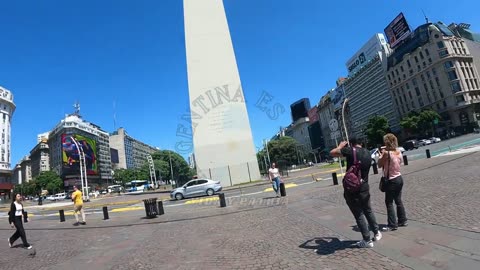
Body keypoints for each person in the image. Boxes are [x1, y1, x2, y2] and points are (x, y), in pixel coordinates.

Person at [330, 138, 382, 248]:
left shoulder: (350, 151)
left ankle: (367, 240)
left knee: (359, 214)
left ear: (352, 144)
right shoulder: (368, 152)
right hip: (364, 186)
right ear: (361, 143)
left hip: (352, 188)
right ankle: (377, 233)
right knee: (368, 210)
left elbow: (332, 153)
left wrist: (340, 146)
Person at [378, 133, 408, 231]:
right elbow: (401, 162)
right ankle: (402, 220)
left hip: (391, 180)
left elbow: (379, 164)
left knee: (389, 202)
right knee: (398, 200)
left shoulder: (386, 153)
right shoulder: (398, 151)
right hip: (399, 177)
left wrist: (381, 155)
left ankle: (392, 224)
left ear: (387, 142)